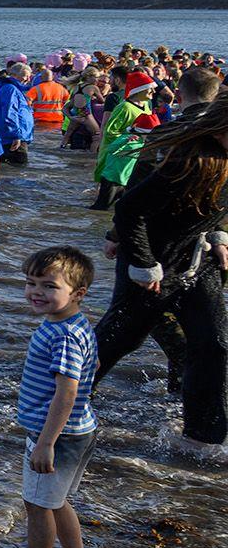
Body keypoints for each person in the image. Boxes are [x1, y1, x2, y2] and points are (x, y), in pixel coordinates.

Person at [96, 116, 228, 449]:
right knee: (120, 339)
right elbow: (129, 209)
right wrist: (143, 264)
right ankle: (51, 401)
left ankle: (202, 437)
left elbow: (216, 206)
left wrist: (220, 235)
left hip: (199, 259)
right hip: (153, 262)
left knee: (214, 343)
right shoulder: (193, 159)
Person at [0, 247, 99, 548]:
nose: (36, 292)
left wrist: (46, 443)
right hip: (80, 430)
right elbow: (92, 366)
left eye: (49, 286)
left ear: (77, 293)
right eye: (30, 282)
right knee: (56, 501)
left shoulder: (63, 335)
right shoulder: (76, 323)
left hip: (57, 435)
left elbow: (66, 393)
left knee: (37, 505)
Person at [90, 71, 157, 210]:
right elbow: (110, 131)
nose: (154, 90)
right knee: (106, 198)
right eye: (150, 88)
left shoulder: (147, 104)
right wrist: (128, 138)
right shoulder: (124, 107)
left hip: (135, 156)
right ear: (139, 89)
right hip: (118, 155)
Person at [0, 62, 34, 167]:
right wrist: (16, 135)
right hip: (12, 138)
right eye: (25, 76)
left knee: (11, 168)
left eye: (29, 76)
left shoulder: (11, 89)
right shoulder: (10, 89)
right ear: (14, 75)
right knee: (20, 168)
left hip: (10, 136)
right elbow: (9, 114)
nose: (28, 79)